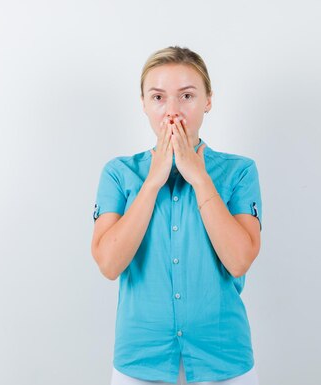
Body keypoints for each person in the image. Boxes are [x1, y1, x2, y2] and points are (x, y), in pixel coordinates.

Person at [91, 46, 263, 385]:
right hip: (140, 361)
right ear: (143, 103)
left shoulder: (239, 171)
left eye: (186, 96)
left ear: (208, 100)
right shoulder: (119, 173)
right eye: (158, 97)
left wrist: (198, 177)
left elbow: (240, 260)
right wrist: (153, 181)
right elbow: (109, 264)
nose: (172, 111)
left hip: (224, 359)